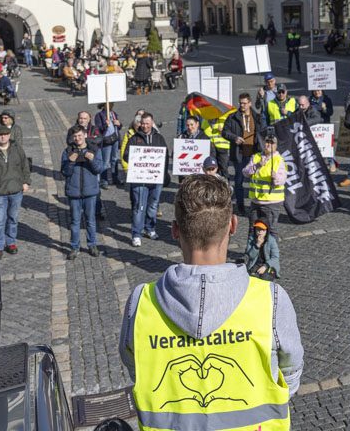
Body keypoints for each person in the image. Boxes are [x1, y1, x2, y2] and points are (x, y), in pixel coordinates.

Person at [119, 175, 303, 427]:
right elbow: (290, 376)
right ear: (233, 225)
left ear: (174, 230)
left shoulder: (140, 303)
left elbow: (137, 371)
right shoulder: (271, 300)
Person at [123, 112, 169, 247]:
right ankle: (136, 233)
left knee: (153, 205)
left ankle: (150, 229)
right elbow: (125, 156)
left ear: (152, 123)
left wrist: (164, 174)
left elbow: (165, 156)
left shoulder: (159, 138)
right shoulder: (133, 138)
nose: (144, 126)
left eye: (147, 123)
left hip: (156, 179)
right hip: (140, 179)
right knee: (139, 206)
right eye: (142, 123)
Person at [0, 124, 29, 255]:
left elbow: (25, 165)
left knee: (13, 218)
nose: (3, 137)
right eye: (0, 135)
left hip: (16, 190)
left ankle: (10, 243)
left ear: (9, 135)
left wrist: (26, 181)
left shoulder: (17, 149)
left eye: (5, 135)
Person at [61, 125, 102, 260]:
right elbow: (65, 172)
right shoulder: (67, 151)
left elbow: (99, 169)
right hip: (74, 192)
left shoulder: (94, 150)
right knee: (75, 221)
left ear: (84, 135)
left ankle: (92, 245)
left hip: (90, 191)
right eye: (75, 136)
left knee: (90, 221)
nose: (77, 138)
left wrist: (92, 159)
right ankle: (74, 247)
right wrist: (70, 162)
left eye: (79, 135)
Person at [222, 93, 265, 215]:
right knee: (239, 181)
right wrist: (234, 137)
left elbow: (263, 132)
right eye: (240, 103)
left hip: (254, 154)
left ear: (250, 103)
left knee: (256, 181)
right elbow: (225, 132)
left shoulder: (257, 117)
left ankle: (258, 205)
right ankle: (240, 206)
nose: (241, 105)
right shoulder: (233, 117)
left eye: (244, 103)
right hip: (239, 154)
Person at [244, 135, 287, 236]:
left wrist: (275, 177)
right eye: (267, 142)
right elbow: (245, 172)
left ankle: (270, 252)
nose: (268, 144)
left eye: (271, 143)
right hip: (256, 201)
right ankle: (252, 252)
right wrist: (257, 166)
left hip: (272, 202)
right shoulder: (256, 157)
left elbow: (282, 180)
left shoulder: (279, 160)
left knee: (271, 231)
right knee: (253, 229)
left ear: (275, 146)